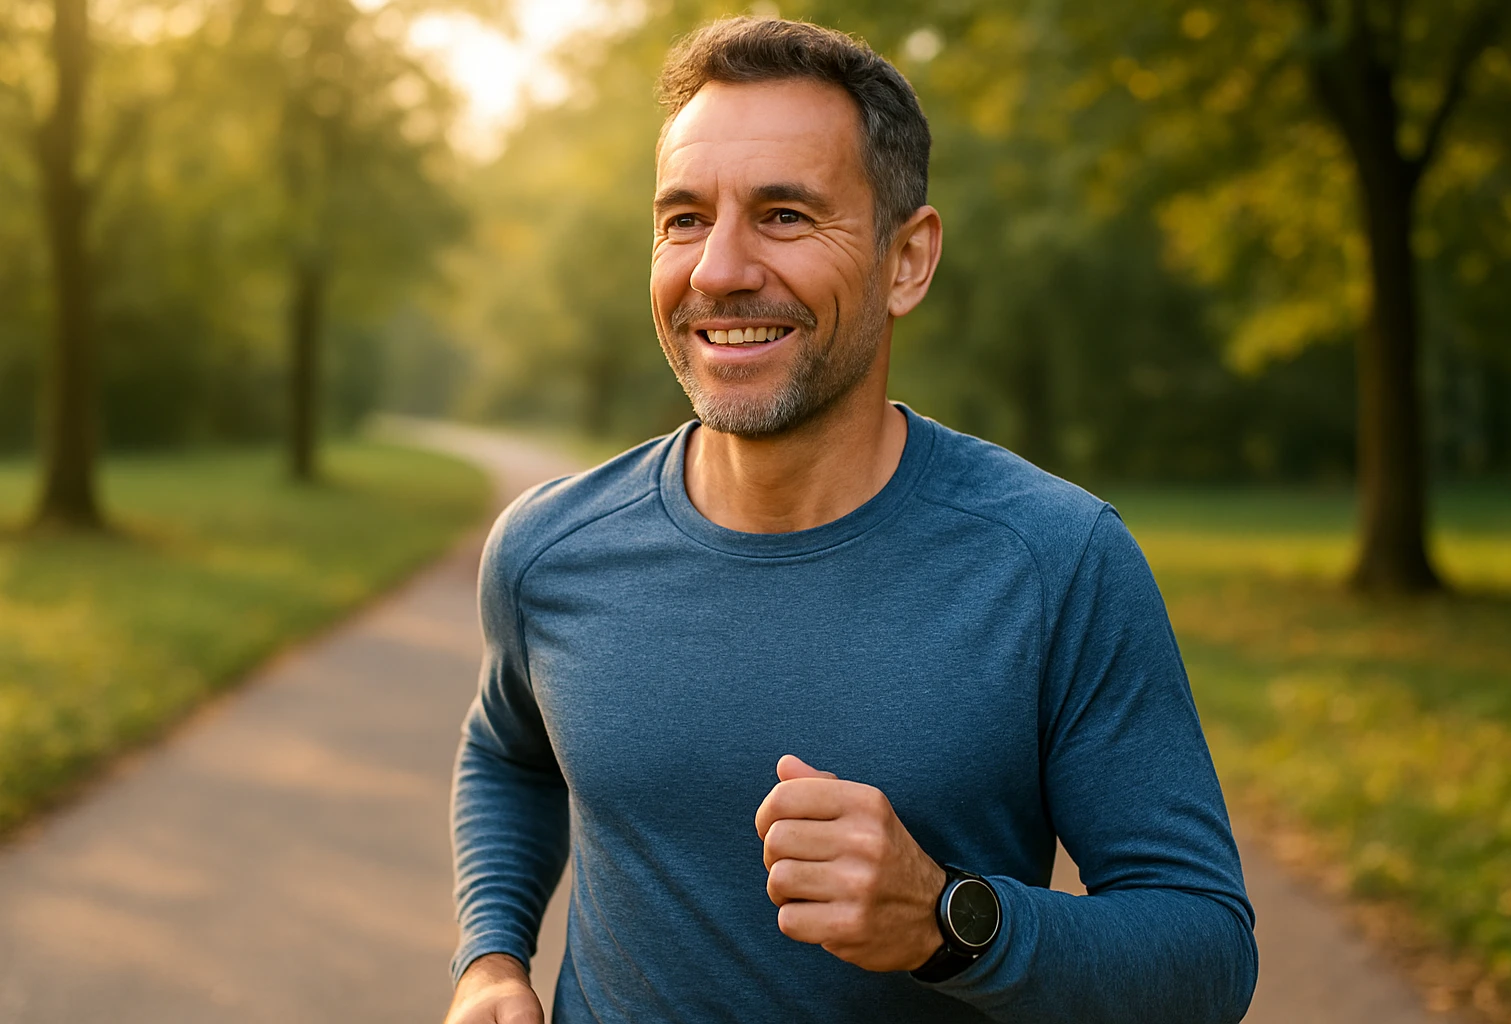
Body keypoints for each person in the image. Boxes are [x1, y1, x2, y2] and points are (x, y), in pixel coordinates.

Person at [443, 16, 1257, 1024]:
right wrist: (490, 956)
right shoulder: (545, 550)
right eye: (685, 218)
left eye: (783, 214)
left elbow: (1207, 955)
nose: (718, 270)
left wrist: (950, 920)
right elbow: (508, 754)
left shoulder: (1057, 562)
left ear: (906, 260)